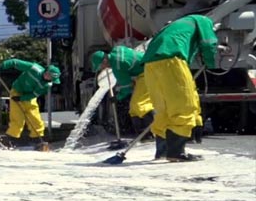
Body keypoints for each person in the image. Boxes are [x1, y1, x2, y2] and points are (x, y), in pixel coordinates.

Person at [139, 14, 220, 162]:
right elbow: (209, 43)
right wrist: (210, 62)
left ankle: (163, 151)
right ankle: (176, 152)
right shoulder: (203, 21)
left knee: (164, 109)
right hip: (171, 61)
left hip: (150, 64)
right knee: (184, 105)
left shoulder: (177, 25)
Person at [89, 47, 153, 136]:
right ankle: (143, 135)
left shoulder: (117, 66)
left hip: (149, 72)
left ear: (104, 61)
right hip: (145, 71)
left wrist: (117, 97)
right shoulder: (117, 50)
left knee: (140, 106)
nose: (102, 69)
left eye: (101, 66)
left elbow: (127, 88)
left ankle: (156, 132)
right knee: (133, 110)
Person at [0, 59, 61, 150]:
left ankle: (37, 140)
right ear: (46, 72)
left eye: (51, 78)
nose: (49, 79)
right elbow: (15, 62)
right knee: (17, 118)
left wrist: (22, 98)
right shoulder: (34, 68)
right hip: (17, 91)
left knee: (35, 118)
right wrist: (1, 66)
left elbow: (34, 95)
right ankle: (11, 139)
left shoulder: (47, 85)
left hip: (29, 97)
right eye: (49, 76)